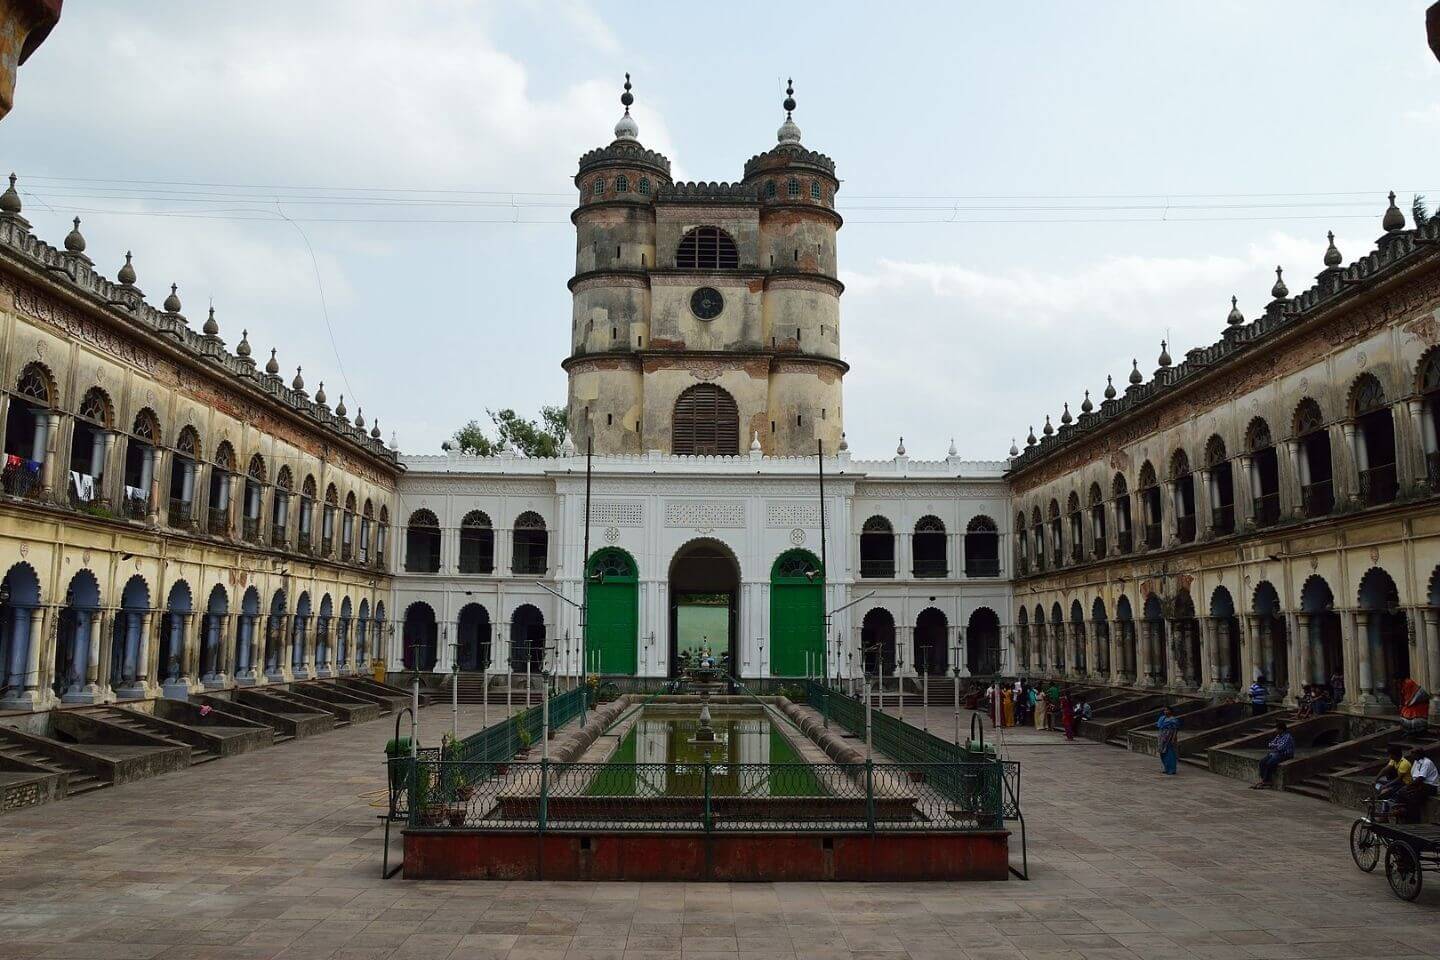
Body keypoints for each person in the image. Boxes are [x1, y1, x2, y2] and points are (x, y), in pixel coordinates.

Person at [1396, 748, 1438, 823]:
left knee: (1413, 797)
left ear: (1418, 754)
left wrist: (1409, 786)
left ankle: (1414, 820)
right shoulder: (1416, 761)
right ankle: (1403, 815)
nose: (1411, 755)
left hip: (1429, 786)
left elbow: (1420, 778)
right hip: (1420, 784)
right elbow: (1414, 776)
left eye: (1413, 753)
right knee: (1401, 793)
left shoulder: (1426, 762)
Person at [1252, 719, 1295, 789]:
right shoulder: (1278, 736)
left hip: (1286, 754)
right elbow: (1270, 744)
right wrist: (1275, 745)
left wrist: (1275, 746)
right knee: (1262, 762)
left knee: (1270, 763)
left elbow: (1281, 747)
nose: (1276, 731)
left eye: (1277, 729)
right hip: (1277, 753)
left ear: (1281, 729)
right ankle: (1264, 780)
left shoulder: (1287, 737)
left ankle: (1267, 781)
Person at [1156, 705, 1181, 775]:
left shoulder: (1173, 720)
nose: (1165, 711)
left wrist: (1173, 738)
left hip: (1169, 738)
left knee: (1170, 754)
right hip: (1162, 737)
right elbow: (1159, 727)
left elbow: (1175, 730)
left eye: (1167, 710)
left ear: (1170, 711)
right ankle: (1166, 768)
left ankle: (1172, 769)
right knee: (1162, 753)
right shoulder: (1162, 718)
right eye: (1164, 710)